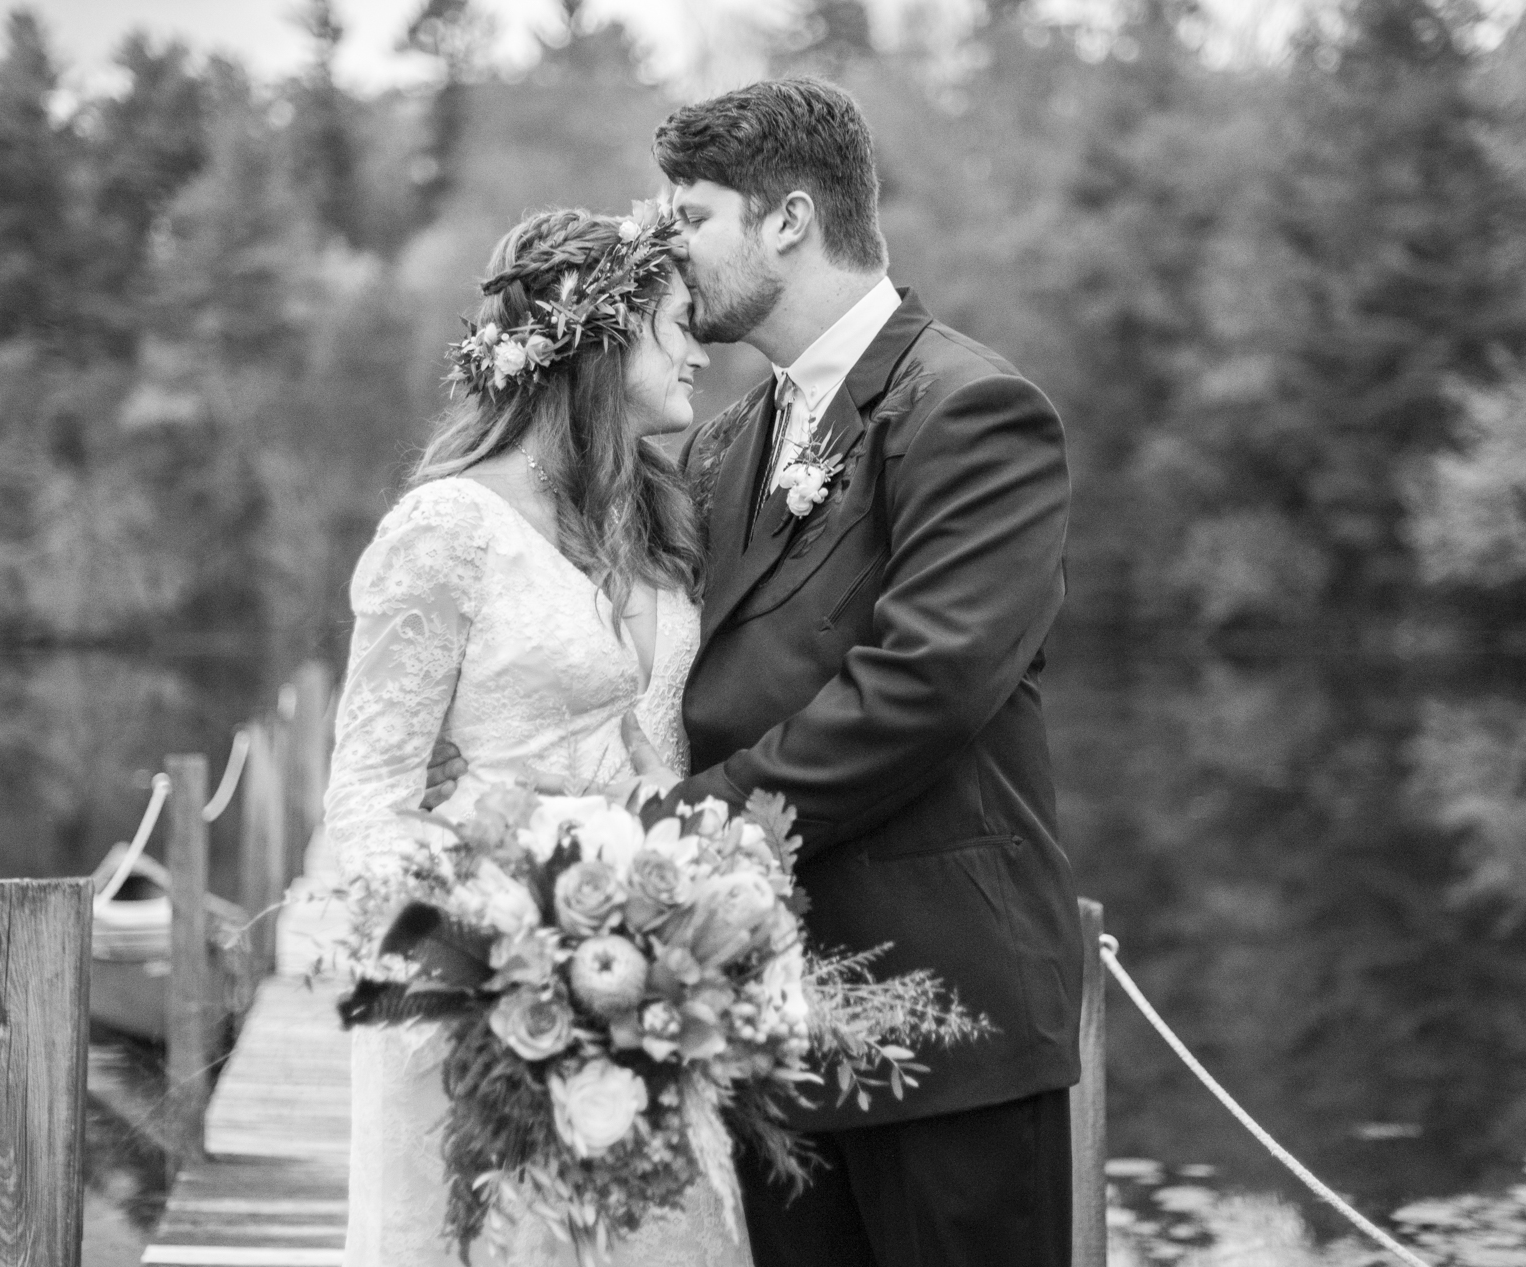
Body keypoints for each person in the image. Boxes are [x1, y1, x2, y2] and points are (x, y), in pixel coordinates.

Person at [648, 77, 1084, 1267]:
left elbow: (925, 682)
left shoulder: (972, 410)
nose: (669, 252)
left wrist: (685, 826)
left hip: (948, 1018)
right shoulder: (729, 439)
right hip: (764, 1017)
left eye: (690, 217)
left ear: (787, 220)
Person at [323, 206, 749, 1266]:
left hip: (646, 992)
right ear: (601, 340)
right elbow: (367, 804)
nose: (699, 349)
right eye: (677, 324)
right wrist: (503, 963)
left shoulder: (650, 512)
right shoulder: (445, 531)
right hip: (493, 1016)